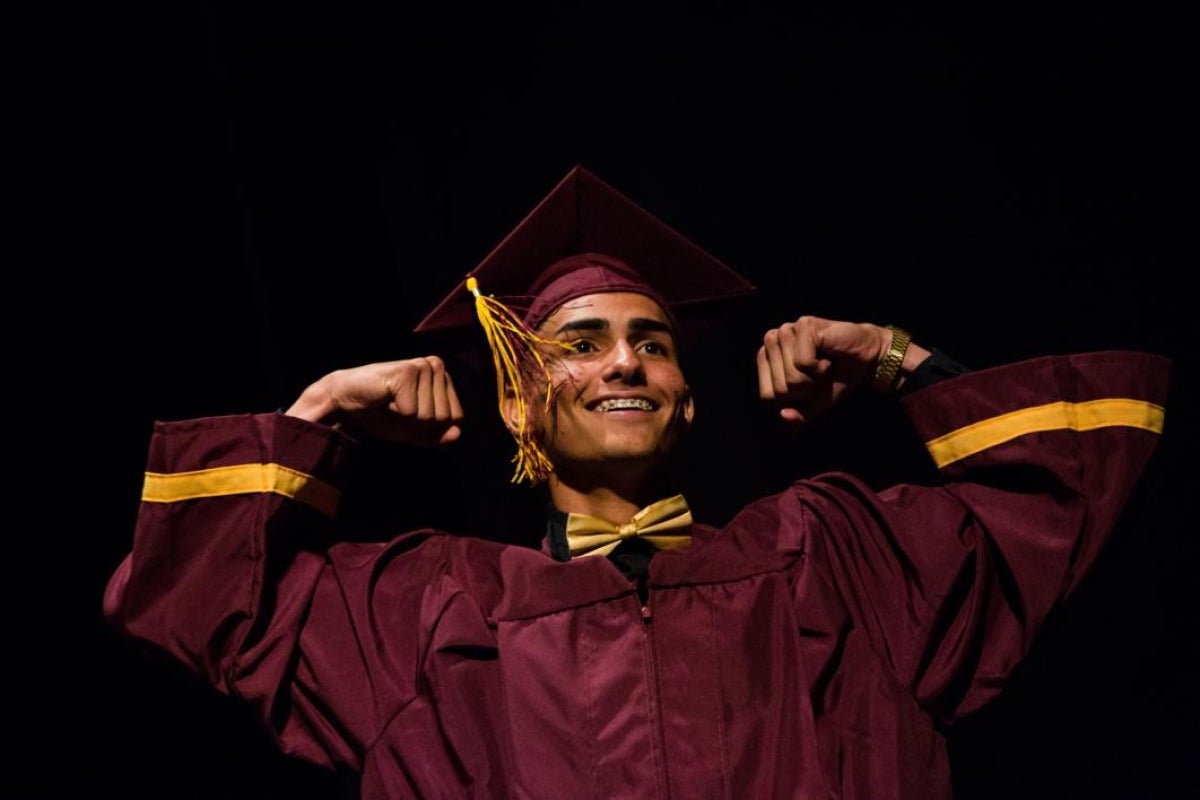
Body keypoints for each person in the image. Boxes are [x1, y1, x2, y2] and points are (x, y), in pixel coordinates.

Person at [103, 165, 1170, 800]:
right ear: (519, 404)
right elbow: (200, 598)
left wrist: (895, 356)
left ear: (685, 397)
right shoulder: (422, 612)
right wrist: (319, 409)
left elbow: (1060, 491)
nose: (624, 362)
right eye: (582, 340)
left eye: (652, 343)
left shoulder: (831, 559)